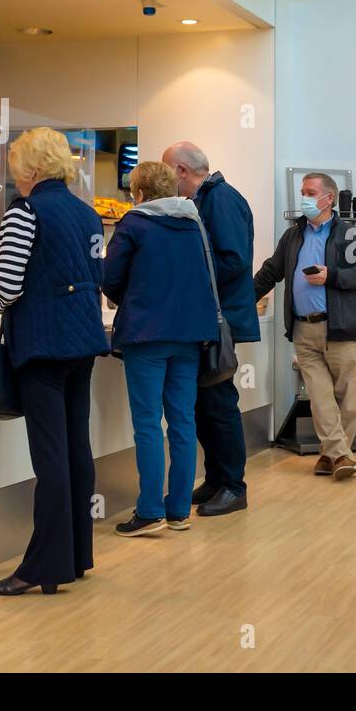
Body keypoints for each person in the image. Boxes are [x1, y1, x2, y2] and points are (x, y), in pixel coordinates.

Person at [0, 127, 109, 596]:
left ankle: (44, 566)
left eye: (19, 170)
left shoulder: (26, 212)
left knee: (50, 457)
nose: (17, 180)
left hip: (42, 344)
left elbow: (9, 285)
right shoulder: (87, 214)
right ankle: (76, 555)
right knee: (77, 447)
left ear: (32, 169)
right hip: (81, 343)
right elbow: (95, 273)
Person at [102, 161, 219, 536]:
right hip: (189, 337)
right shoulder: (193, 223)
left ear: (138, 192)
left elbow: (110, 279)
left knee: (148, 425)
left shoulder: (133, 224)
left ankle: (150, 510)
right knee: (183, 422)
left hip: (146, 335)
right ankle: (179, 511)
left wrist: (131, 299)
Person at [254, 173, 356, 480]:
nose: (304, 198)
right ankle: (340, 456)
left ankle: (330, 455)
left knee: (348, 400)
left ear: (329, 198)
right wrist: (238, 300)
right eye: (302, 192)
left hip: (342, 329)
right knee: (321, 398)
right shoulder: (293, 235)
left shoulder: (350, 235)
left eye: (310, 192)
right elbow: (271, 271)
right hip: (303, 330)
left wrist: (331, 275)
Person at [163, 141, 259, 517]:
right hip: (211, 318)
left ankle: (234, 486)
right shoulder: (208, 200)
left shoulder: (221, 200)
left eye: (168, 170)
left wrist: (187, 279)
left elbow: (233, 260)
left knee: (218, 404)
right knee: (204, 402)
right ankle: (217, 478)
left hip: (221, 321)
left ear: (182, 171)